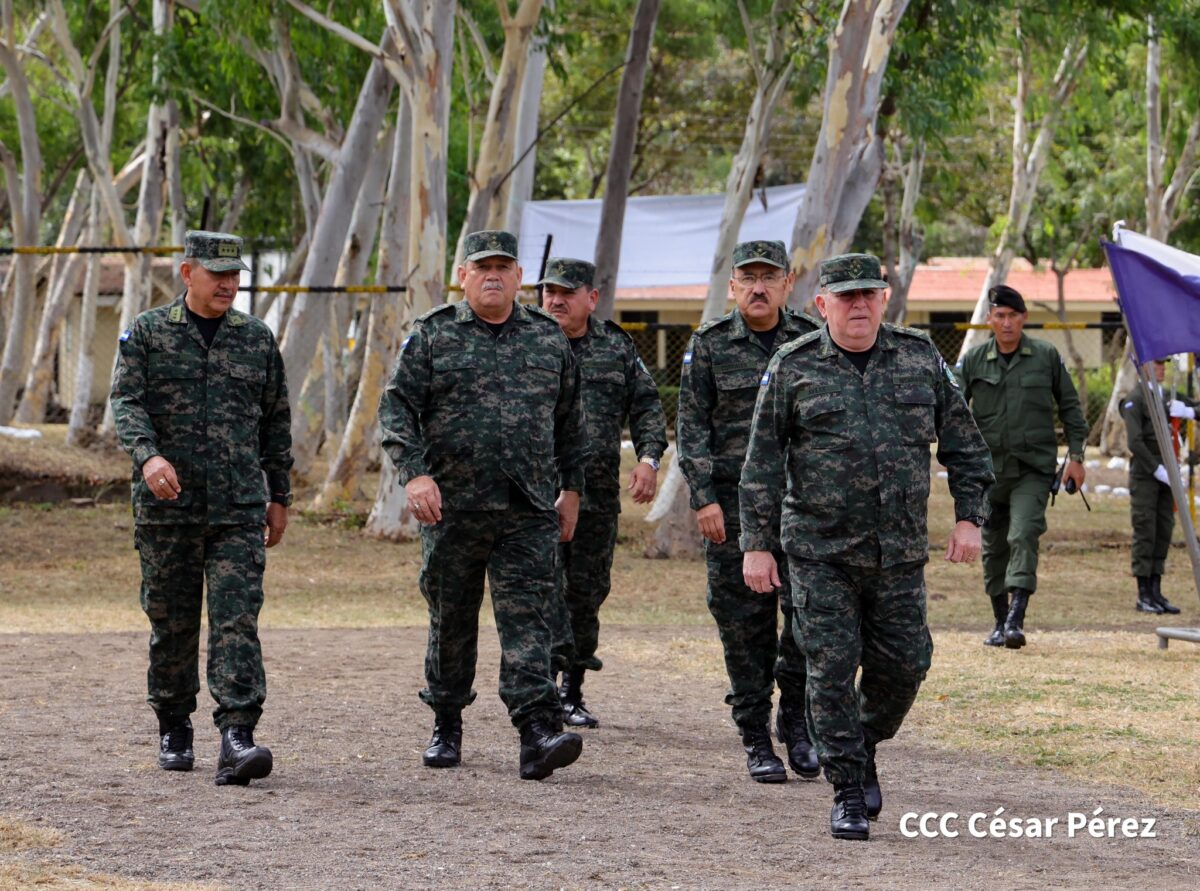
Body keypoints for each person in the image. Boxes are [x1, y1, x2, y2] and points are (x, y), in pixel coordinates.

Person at [740, 252, 993, 841]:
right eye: (845, 297)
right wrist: (758, 545)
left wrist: (969, 518)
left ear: (884, 299)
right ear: (821, 305)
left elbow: (965, 447)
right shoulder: (793, 366)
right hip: (819, 553)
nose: (858, 306)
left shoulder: (918, 357)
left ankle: (860, 741)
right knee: (829, 668)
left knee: (907, 666)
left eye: (868, 295)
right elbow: (761, 465)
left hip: (898, 553)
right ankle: (848, 789)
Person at [378, 230, 590, 780]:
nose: (493, 275)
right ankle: (447, 720)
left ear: (520, 278)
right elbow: (397, 411)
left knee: (530, 620)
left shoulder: (548, 340)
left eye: (503, 266)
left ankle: (537, 730)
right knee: (452, 617)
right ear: (463, 276)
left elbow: (572, 423)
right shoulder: (433, 335)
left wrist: (572, 490)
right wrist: (416, 475)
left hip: (529, 507)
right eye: (482, 267)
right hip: (453, 507)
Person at [110, 229, 292, 787]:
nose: (229, 285)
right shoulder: (146, 334)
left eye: (236, 276)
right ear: (188, 274)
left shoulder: (256, 339)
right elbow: (126, 402)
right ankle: (173, 723)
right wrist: (148, 457)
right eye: (218, 276)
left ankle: (238, 735)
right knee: (172, 621)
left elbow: (275, 420)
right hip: (168, 508)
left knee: (237, 620)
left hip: (238, 507)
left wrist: (279, 493)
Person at [676, 239, 820, 784]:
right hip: (734, 512)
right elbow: (691, 428)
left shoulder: (811, 340)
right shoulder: (710, 345)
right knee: (744, 626)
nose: (758, 288)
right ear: (732, 287)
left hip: (804, 507)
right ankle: (756, 734)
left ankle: (798, 720)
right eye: (747, 279)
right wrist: (704, 496)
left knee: (808, 620)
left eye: (769, 277)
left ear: (788, 283)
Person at [539, 257, 668, 727]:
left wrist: (649, 460)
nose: (555, 300)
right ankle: (541, 689)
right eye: (549, 291)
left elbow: (648, 405)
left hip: (595, 499)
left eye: (567, 292)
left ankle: (572, 688)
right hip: (533, 495)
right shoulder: (525, 340)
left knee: (586, 593)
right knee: (540, 589)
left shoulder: (616, 347)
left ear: (591, 299)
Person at [957, 285, 1089, 649]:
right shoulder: (973, 361)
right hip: (987, 473)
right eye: (1000, 316)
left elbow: (1072, 411)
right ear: (990, 320)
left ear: (1024, 318)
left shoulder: (1045, 356)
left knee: (1023, 534)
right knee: (993, 547)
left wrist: (1076, 457)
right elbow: (952, 410)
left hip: (1032, 469)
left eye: (1013, 316)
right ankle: (999, 621)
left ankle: (1017, 618)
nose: (1007, 323)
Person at [1120, 358, 1196, 614]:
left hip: (1169, 474)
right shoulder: (1136, 399)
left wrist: (1189, 412)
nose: (1160, 369)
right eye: (1155, 364)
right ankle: (1143, 593)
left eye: (1163, 364)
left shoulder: (1168, 396)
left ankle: (1156, 590)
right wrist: (1157, 469)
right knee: (1146, 530)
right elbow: (1135, 441)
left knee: (1164, 529)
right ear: (1141, 367)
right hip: (1146, 475)